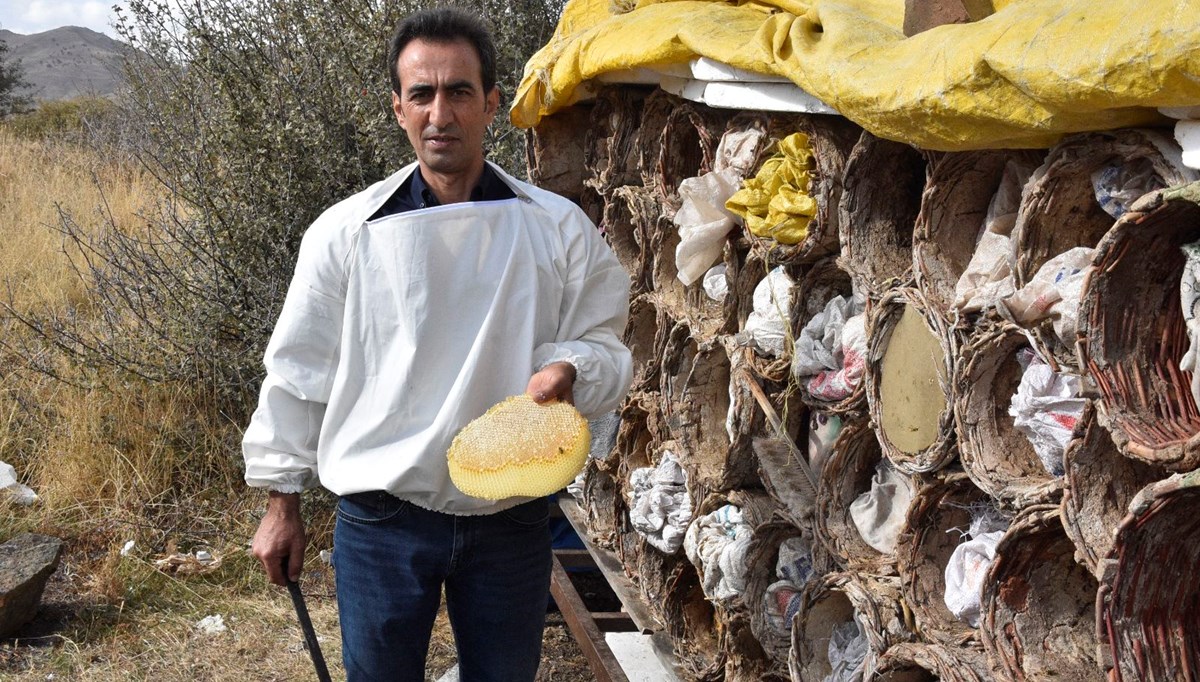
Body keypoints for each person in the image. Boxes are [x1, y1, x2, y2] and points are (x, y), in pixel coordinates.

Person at [242, 8, 633, 681]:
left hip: (510, 517)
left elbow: (606, 343)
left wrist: (573, 368)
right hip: (382, 518)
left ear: (490, 104)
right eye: (421, 94)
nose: (439, 113)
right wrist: (282, 501)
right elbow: (299, 370)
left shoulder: (558, 229)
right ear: (398, 109)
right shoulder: (345, 234)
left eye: (457, 92)